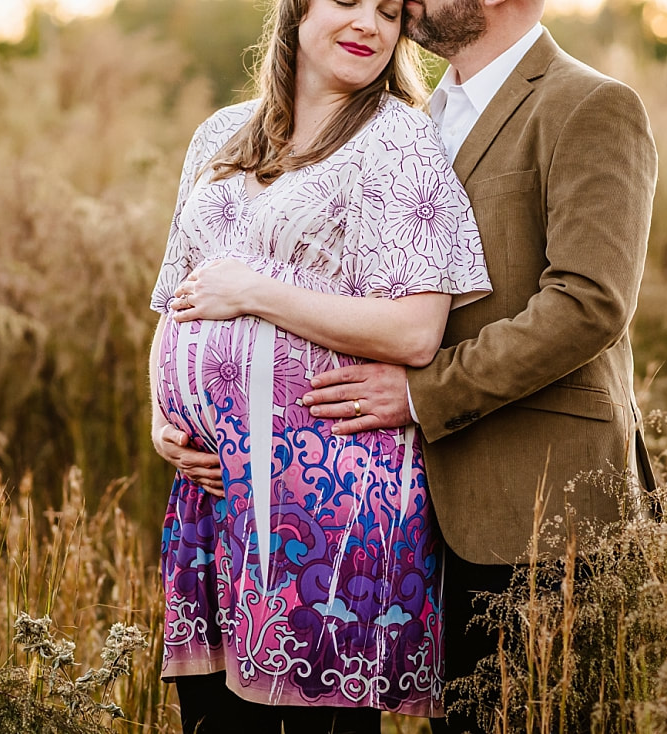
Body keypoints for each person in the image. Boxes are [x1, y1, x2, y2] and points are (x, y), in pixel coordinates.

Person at [297, 0, 660, 732]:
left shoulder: (590, 104)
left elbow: (589, 303)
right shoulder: (413, 121)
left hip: (547, 514)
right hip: (422, 518)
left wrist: (422, 391)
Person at [148, 0, 491, 731]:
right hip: (212, 496)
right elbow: (178, 295)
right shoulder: (218, 134)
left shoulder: (396, 138)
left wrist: (257, 293)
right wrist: (161, 419)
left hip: (330, 501)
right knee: (213, 721)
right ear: (296, 10)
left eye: (391, 11)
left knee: (318, 724)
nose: (370, 22)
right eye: (349, 1)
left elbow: (415, 331)